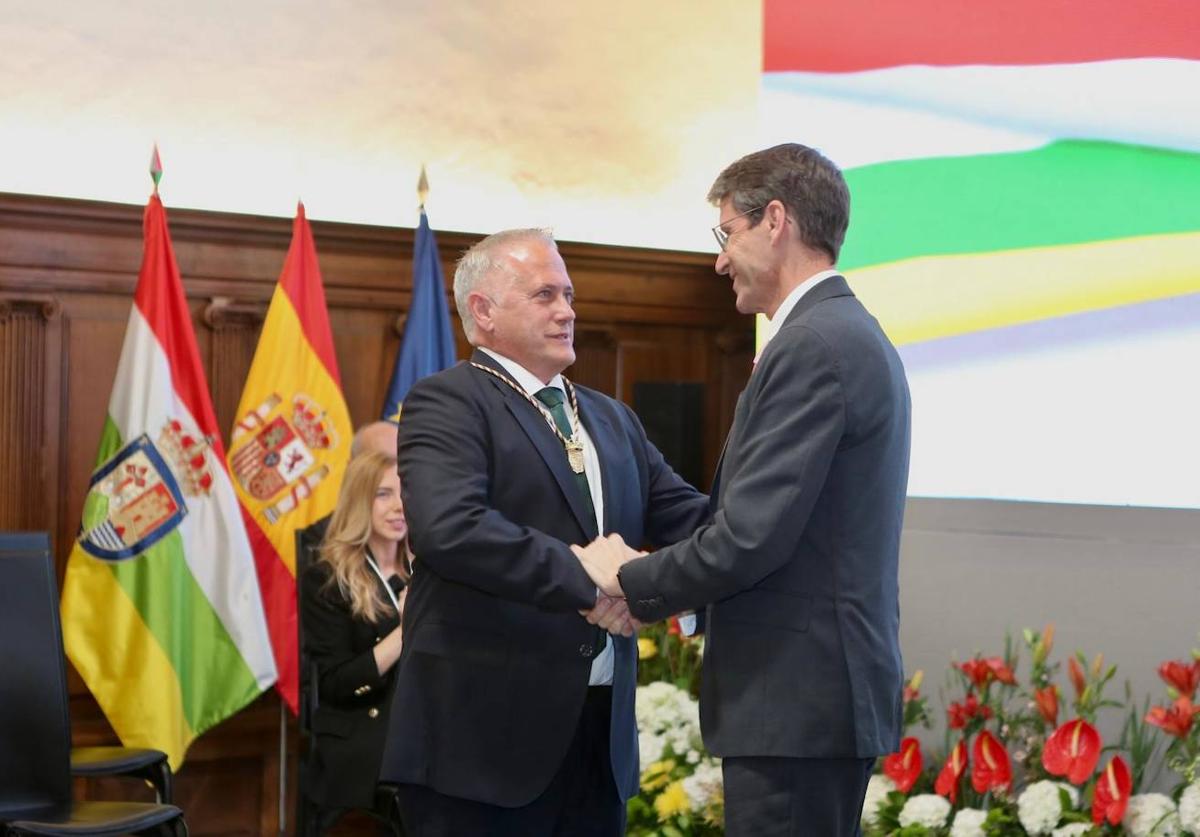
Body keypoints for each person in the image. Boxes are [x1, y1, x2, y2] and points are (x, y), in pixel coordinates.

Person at [573, 143, 913, 836]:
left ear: (775, 220)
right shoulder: (838, 335)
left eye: (726, 233)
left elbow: (751, 535)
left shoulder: (815, 344)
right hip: (808, 703)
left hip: (797, 703)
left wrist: (629, 579)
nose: (719, 259)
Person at [378, 228, 709, 836]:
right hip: (482, 748)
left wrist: (652, 586)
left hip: (598, 741)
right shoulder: (446, 402)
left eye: (570, 295)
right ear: (484, 310)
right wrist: (594, 580)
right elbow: (453, 530)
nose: (567, 312)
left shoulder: (612, 418)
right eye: (544, 295)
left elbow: (691, 520)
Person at [299, 450, 412, 828]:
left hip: (427, 720)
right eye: (383, 494)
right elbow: (335, 683)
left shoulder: (429, 566)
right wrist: (406, 630)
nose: (399, 506)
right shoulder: (328, 575)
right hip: (365, 726)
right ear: (359, 501)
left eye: (404, 492)